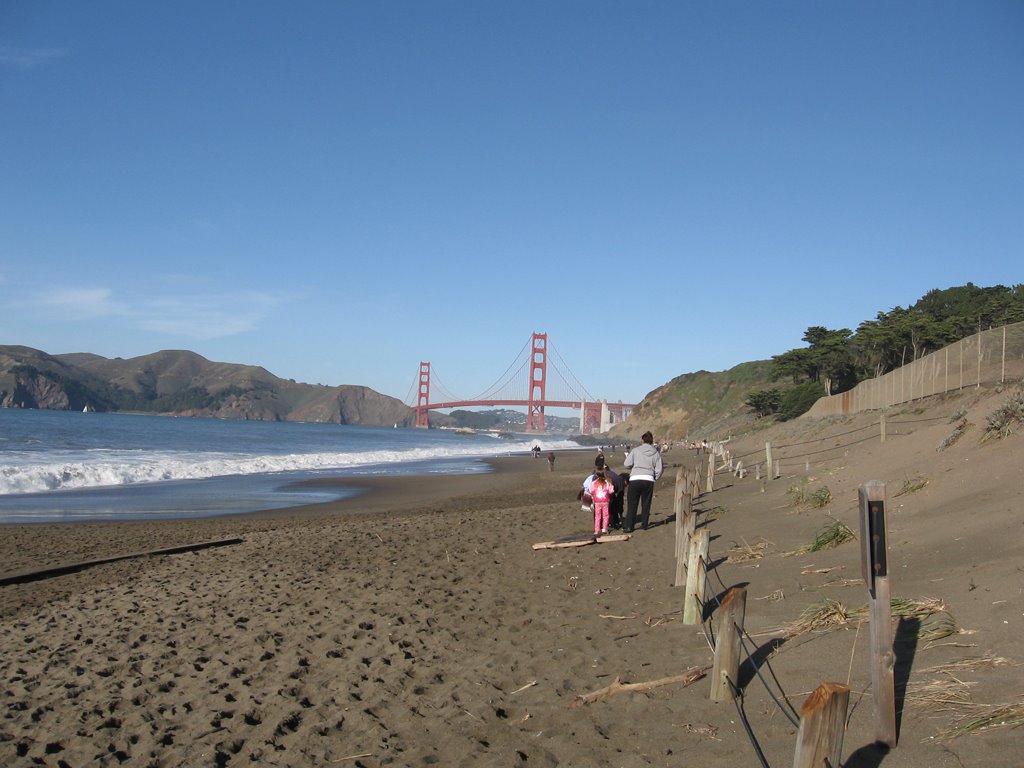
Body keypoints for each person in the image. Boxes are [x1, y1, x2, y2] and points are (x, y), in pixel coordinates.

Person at [623, 431, 663, 532]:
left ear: (642, 440)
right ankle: (644, 525)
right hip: (648, 479)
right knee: (646, 503)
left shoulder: (636, 450)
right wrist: (655, 477)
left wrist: (634, 466)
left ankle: (629, 526)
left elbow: (626, 464)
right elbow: (659, 469)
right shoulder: (656, 453)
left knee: (632, 504)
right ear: (651, 441)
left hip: (635, 479)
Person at [589, 469, 614, 536]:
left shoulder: (594, 483)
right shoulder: (607, 483)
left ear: (596, 475)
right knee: (605, 515)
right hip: (605, 501)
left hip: (597, 502)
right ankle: (604, 528)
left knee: (597, 516)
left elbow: (590, 490)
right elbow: (611, 491)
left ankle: (597, 530)